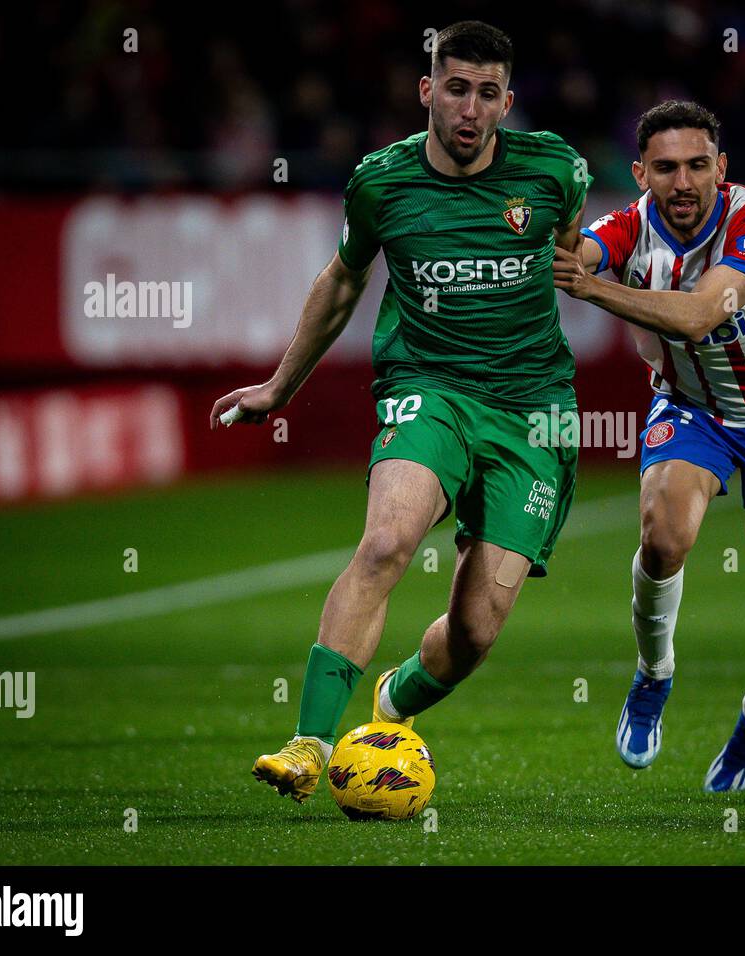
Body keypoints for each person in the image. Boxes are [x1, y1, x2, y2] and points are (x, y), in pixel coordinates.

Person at [211, 20, 591, 804]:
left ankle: (396, 702)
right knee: (386, 540)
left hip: (533, 411)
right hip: (430, 386)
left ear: (507, 101)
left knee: (477, 629)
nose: (471, 109)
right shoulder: (381, 183)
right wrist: (280, 387)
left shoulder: (554, 170)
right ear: (428, 90)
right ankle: (310, 744)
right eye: (456, 88)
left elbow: (574, 251)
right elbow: (344, 281)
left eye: (489, 94)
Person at [553, 101, 745, 791]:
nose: (683, 183)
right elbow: (573, 253)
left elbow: (706, 313)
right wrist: (550, 227)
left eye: (698, 165)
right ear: (641, 172)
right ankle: (653, 676)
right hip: (693, 408)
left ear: (721, 168)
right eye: (667, 168)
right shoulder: (630, 223)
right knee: (664, 535)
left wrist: (591, 287)